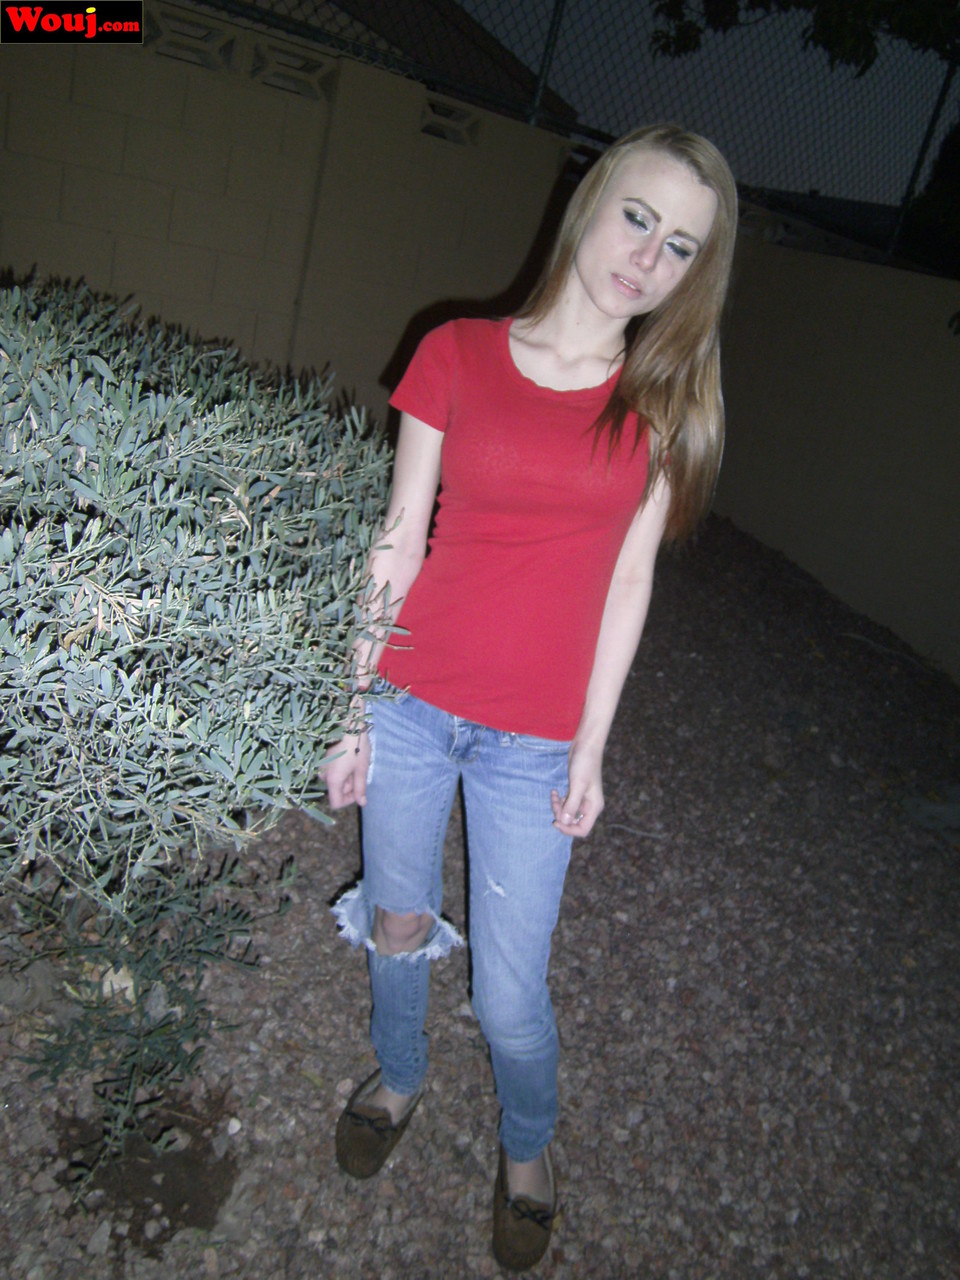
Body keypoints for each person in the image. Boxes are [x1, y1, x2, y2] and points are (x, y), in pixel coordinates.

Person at [323, 122, 738, 1272]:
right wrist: (351, 705)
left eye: (681, 246)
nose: (647, 257)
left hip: (533, 742)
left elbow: (630, 582)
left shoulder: (661, 408)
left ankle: (527, 1143)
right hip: (410, 700)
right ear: (590, 205)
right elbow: (398, 538)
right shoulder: (454, 351)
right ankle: (399, 1075)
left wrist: (591, 747)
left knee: (510, 996)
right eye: (638, 218)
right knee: (396, 921)